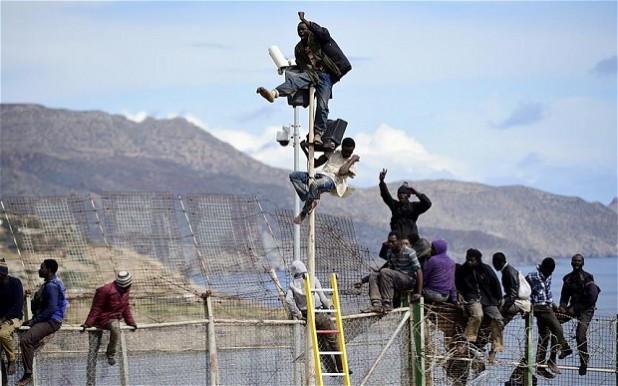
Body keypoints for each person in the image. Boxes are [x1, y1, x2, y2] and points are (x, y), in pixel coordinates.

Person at [257, 11, 351, 146]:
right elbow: (301, 65)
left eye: (303, 29)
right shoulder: (299, 48)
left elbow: (324, 33)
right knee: (295, 81)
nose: (301, 32)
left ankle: (318, 133)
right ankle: (274, 93)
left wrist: (306, 21)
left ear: (309, 29)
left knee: (322, 105)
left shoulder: (318, 39)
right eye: (299, 30)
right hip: (312, 74)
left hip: (326, 75)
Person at [285, 260, 349, 375]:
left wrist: (299, 315)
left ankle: (330, 369)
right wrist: (328, 311)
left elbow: (288, 300)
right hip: (319, 313)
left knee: (321, 345)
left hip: (306, 316)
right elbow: (323, 298)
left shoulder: (292, 285)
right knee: (333, 340)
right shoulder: (313, 279)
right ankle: (341, 367)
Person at [17, 259, 67, 386]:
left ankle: (28, 374)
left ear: (48, 270)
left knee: (25, 340)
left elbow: (51, 308)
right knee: (22, 329)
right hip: (46, 319)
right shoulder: (51, 283)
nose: (40, 270)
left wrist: (35, 321)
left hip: (51, 321)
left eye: (42, 267)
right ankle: (34, 346)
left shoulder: (51, 286)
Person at [81, 271, 137, 385]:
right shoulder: (105, 290)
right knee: (92, 352)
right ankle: (90, 383)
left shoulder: (125, 292)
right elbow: (96, 307)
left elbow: (126, 307)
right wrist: (88, 323)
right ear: (125, 284)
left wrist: (131, 322)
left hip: (112, 318)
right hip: (100, 320)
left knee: (115, 327)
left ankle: (110, 353)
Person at [290, 137, 359, 224]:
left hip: (332, 180)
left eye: (350, 152)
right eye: (345, 151)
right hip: (320, 175)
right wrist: (304, 148)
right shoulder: (334, 154)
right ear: (342, 148)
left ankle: (304, 212)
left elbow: (342, 172)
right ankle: (310, 198)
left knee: (315, 184)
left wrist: (352, 159)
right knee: (294, 176)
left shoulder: (351, 164)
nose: (347, 153)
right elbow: (315, 163)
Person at [526, 257, 572, 379]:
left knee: (544, 336)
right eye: (548, 271)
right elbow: (523, 288)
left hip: (547, 307)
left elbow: (547, 292)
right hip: (538, 308)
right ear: (543, 268)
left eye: (551, 271)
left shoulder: (548, 275)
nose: (550, 273)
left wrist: (553, 304)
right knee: (558, 330)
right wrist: (527, 303)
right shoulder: (532, 276)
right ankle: (552, 359)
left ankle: (540, 366)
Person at [455, 248, 504, 364]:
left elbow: (496, 285)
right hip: (472, 298)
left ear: (478, 260)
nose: (469, 262)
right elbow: (457, 285)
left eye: (472, 260)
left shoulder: (486, 269)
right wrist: (459, 294)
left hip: (488, 299)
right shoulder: (462, 271)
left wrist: (497, 299)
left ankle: (495, 349)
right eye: (468, 260)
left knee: (498, 319)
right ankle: (467, 340)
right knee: (477, 315)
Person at [355, 231, 423, 313]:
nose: (390, 244)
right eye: (389, 242)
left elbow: (419, 271)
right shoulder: (390, 253)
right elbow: (386, 269)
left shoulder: (410, 252)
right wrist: (362, 281)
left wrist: (418, 293)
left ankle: (387, 304)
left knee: (385, 272)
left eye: (393, 242)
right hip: (396, 278)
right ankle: (376, 304)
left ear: (399, 241)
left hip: (408, 280)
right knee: (374, 275)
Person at [558, 254, 600, 376]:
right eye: (574, 261)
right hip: (572, 309)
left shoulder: (587, 278)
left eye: (579, 261)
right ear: (571, 263)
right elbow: (564, 297)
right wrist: (562, 308)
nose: (576, 263)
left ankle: (584, 361)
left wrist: (575, 309)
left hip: (586, 309)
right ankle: (565, 348)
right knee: (553, 322)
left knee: (580, 335)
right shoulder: (567, 279)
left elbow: (592, 297)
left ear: (583, 263)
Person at [378, 169, 432, 241]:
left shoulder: (414, 207)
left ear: (408, 195)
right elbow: (386, 196)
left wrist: (417, 193)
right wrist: (382, 182)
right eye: (399, 194)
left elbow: (427, 204)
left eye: (403, 194)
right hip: (397, 241)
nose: (401, 195)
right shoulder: (395, 206)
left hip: (411, 241)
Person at [491, 252, 531, 325]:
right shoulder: (507, 270)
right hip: (515, 300)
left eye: (494, 263)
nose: (493, 265)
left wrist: (505, 307)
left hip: (515, 302)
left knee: (496, 317)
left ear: (497, 262)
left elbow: (513, 293)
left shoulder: (508, 272)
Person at [0, 258, 23, 376]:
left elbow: (17, 306)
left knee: (3, 334)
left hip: (14, 318)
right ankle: (3, 381)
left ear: (2, 274)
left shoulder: (15, 283)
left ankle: (12, 359)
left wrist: (3, 319)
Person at [422, 239, 455, 304]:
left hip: (432, 294)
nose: (431, 250)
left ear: (438, 249)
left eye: (433, 248)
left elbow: (424, 276)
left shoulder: (433, 260)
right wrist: (454, 297)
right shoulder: (451, 262)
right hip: (445, 296)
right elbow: (452, 281)